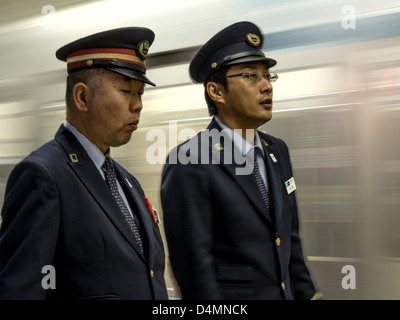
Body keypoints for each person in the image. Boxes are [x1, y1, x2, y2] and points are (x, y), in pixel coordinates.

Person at [0, 27, 168, 300]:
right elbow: (22, 288)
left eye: (140, 94)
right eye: (126, 91)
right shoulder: (44, 176)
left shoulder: (127, 182)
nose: (137, 105)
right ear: (82, 97)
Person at [161, 21, 320, 300]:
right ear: (216, 92)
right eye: (251, 76)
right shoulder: (190, 161)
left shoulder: (276, 150)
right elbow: (195, 272)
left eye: (268, 76)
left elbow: (291, 246)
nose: (266, 86)